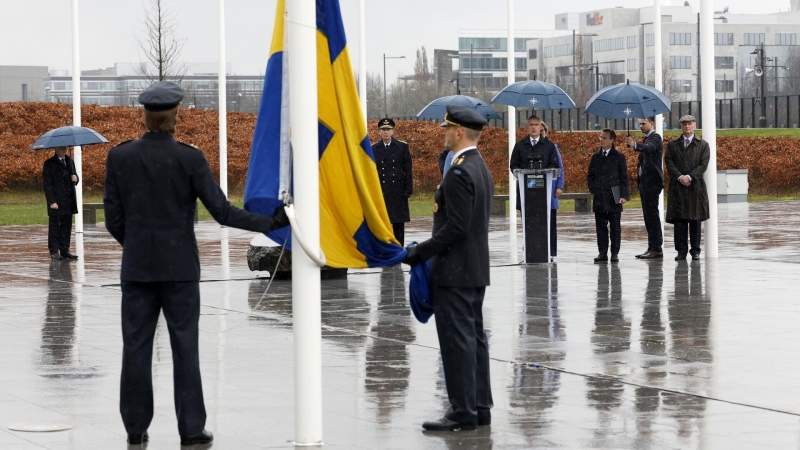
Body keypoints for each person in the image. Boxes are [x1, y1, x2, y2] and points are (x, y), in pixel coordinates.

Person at [103, 82, 290, 446]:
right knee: (185, 348)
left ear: (144, 115)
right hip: (181, 271)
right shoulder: (189, 158)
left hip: (138, 269)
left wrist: (138, 246)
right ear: (175, 117)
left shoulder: (120, 157)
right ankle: (191, 429)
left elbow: (113, 218)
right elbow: (222, 212)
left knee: (136, 348)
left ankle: (135, 428)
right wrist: (271, 222)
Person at [403, 105, 493, 431]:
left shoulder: (458, 172)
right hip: (473, 270)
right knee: (474, 341)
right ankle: (479, 407)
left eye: (446, 129)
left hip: (455, 273)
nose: (443, 133)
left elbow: (455, 228)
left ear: (458, 133)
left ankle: (462, 411)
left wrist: (418, 253)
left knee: (457, 343)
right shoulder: (478, 166)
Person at [665, 115, 710, 261]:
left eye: (689, 124)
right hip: (678, 187)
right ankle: (681, 251)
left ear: (694, 125)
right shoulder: (673, 145)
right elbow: (669, 162)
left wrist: (689, 177)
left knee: (695, 220)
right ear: (681, 126)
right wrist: (680, 177)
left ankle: (695, 250)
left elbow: (703, 164)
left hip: (695, 186)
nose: (687, 126)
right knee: (680, 221)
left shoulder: (703, 145)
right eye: (684, 124)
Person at [587, 129, 629, 263]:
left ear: (612, 140)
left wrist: (623, 195)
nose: (602, 140)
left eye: (605, 138)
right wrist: (594, 189)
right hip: (599, 197)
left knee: (615, 227)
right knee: (601, 227)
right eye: (601, 137)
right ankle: (602, 252)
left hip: (614, 197)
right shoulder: (595, 157)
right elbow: (590, 176)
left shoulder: (618, 156)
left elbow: (624, 178)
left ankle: (615, 253)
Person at [626, 116, 664, 259]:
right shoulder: (647, 138)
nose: (641, 126)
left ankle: (657, 248)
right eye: (639, 123)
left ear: (652, 123)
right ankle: (651, 246)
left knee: (652, 216)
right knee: (648, 216)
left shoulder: (655, 138)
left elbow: (650, 148)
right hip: (645, 182)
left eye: (643, 123)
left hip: (652, 182)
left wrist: (634, 145)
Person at [372, 118, 413, 245]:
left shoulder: (402, 146)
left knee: (398, 223)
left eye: (388, 129)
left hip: (398, 191)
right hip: (381, 191)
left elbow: (408, 169)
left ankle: (398, 248)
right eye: (383, 130)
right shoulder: (374, 148)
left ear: (392, 131)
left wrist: (408, 189)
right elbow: (372, 172)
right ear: (379, 131)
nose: (386, 132)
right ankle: (384, 249)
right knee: (382, 223)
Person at [509, 114, 560, 211]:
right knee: (527, 220)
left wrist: (544, 172)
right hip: (525, 189)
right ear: (527, 127)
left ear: (541, 127)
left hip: (543, 189)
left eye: (536, 125)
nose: (534, 127)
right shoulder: (520, 146)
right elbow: (513, 164)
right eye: (531, 125)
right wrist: (519, 172)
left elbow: (554, 164)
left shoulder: (549, 146)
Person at [42, 146, 79, 260]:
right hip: (56, 201)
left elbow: (75, 179)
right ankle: (54, 251)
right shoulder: (49, 163)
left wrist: (75, 178)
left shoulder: (70, 161)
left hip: (68, 200)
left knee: (66, 226)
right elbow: (47, 185)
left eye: (65, 148)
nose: (64, 150)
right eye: (61, 148)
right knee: (54, 226)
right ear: (56, 149)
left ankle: (64, 249)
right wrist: (52, 201)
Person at [540, 122, 564, 260]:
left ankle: (551, 252)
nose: (541, 133)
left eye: (543, 130)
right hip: (534, 192)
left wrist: (559, 186)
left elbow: (560, 167)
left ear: (546, 132)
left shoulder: (553, 147)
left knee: (551, 223)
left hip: (550, 190)